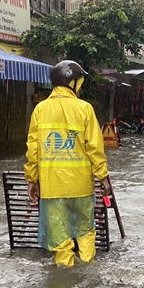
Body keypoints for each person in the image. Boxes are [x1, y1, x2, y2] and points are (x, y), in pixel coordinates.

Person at [24, 60, 112, 267]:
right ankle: (88, 272)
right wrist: (103, 177)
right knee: (85, 230)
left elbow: (33, 149)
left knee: (60, 238)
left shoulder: (40, 109)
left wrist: (32, 179)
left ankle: (65, 281)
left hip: (52, 187)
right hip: (81, 187)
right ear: (73, 82)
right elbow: (95, 149)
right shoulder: (85, 109)